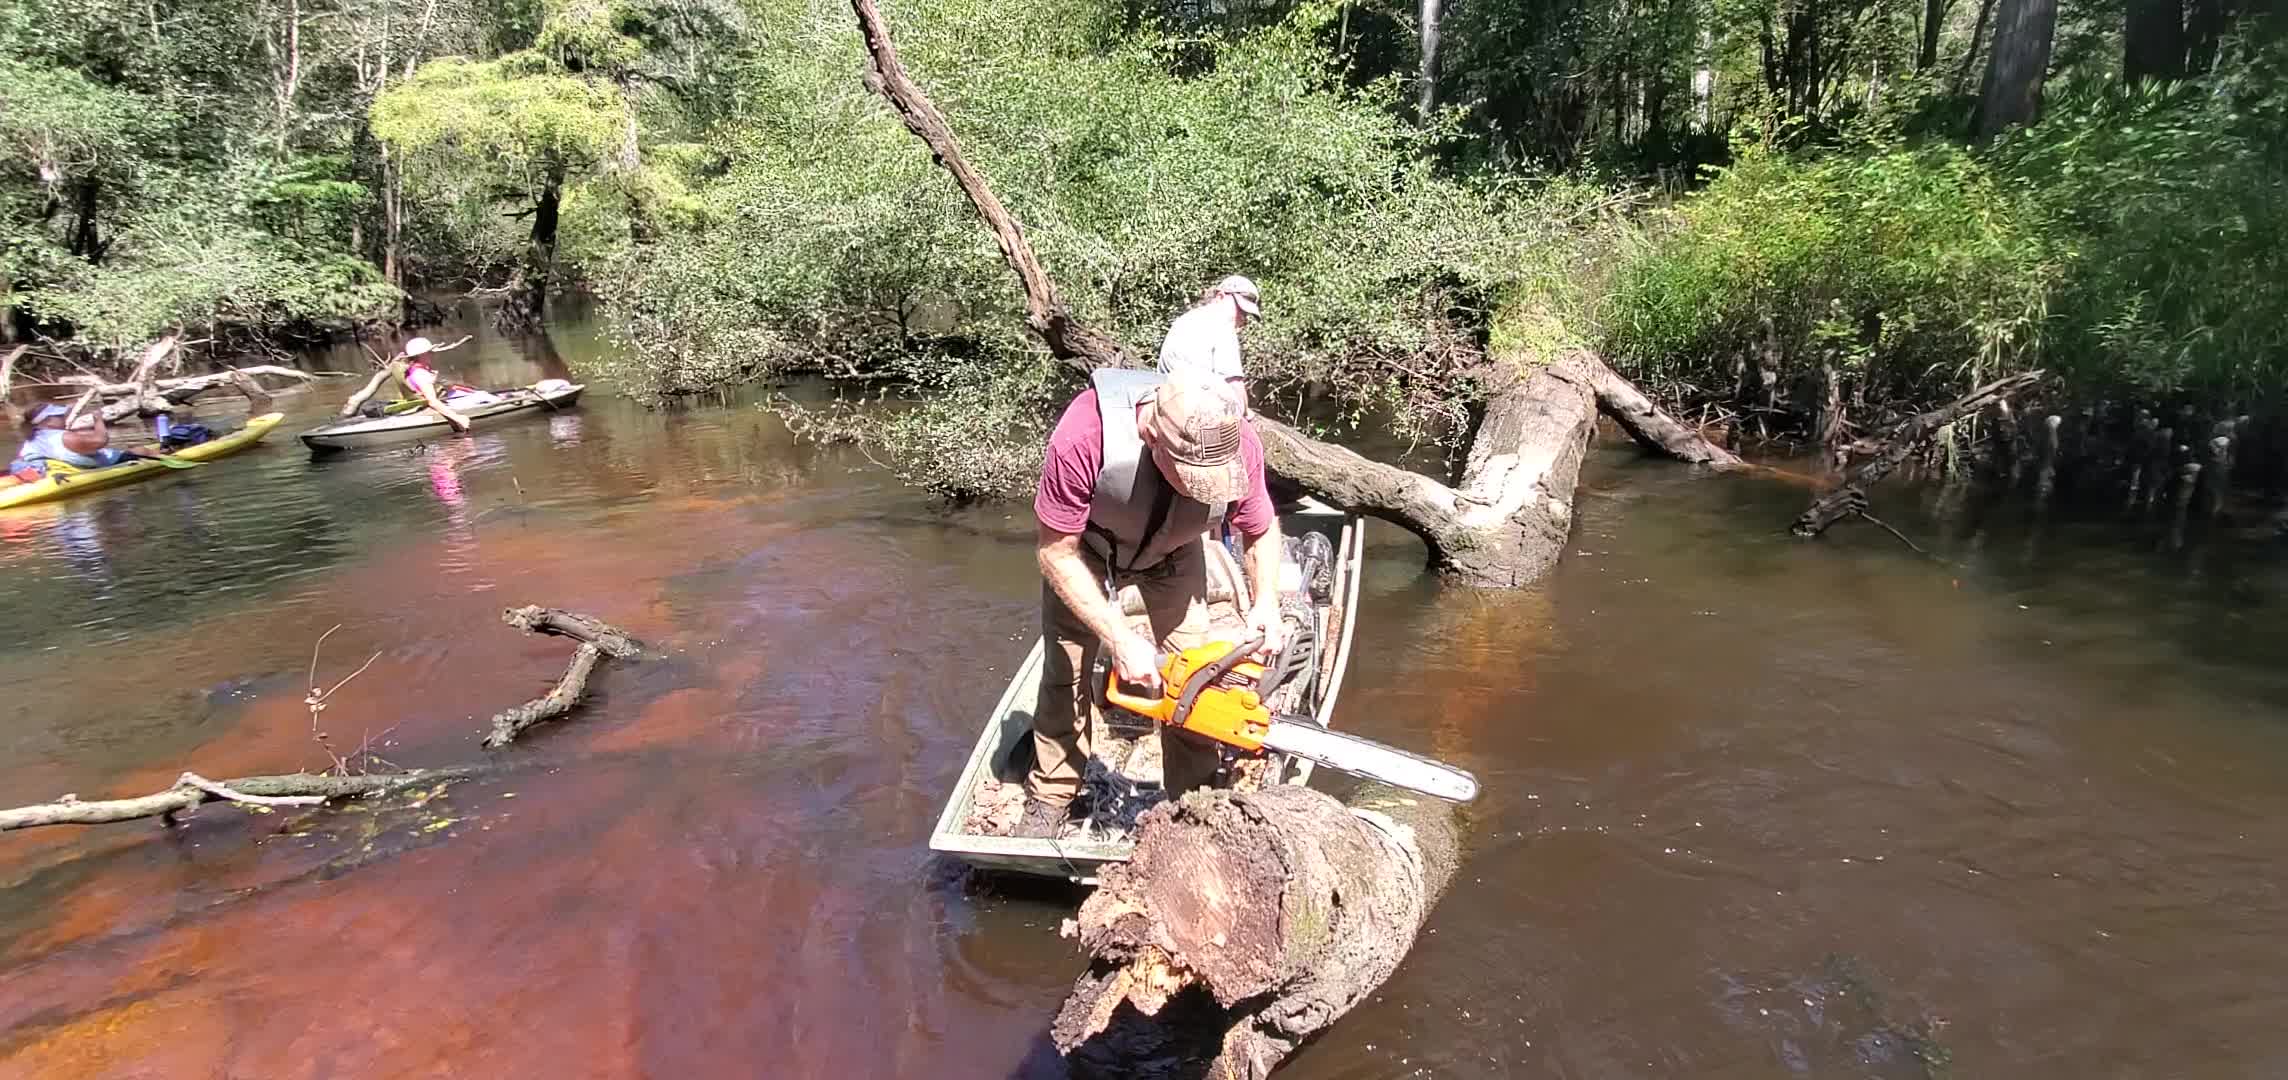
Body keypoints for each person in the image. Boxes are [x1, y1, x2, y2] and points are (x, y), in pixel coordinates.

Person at [1018, 371, 1287, 838]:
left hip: (1175, 549)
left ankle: (1195, 804)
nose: (1198, 487)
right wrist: (1120, 637)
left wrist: (1266, 603)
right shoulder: (1083, 436)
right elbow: (1054, 552)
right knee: (1068, 672)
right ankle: (1053, 792)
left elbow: (1259, 528)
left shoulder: (1233, 436)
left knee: (1198, 678)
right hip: (1087, 550)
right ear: (1150, 435)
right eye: (1190, 477)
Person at [339, 337, 478, 432]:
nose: (432, 354)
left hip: (419, 402)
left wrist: (433, 381)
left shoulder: (413, 370)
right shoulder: (422, 375)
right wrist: (458, 418)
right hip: (429, 407)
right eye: (430, 352)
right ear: (423, 354)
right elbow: (432, 402)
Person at [7, 403, 162, 481]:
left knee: (132, 448)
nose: (64, 417)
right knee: (141, 450)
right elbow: (101, 440)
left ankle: (162, 450)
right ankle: (170, 454)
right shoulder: (64, 437)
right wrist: (98, 420)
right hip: (92, 467)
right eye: (59, 416)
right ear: (47, 422)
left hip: (44, 469)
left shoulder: (32, 437)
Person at [1156, 274, 1261, 387]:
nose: (1243, 319)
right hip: (1197, 400)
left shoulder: (1186, 319)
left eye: (1246, 314)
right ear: (1220, 297)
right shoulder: (1222, 323)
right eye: (1240, 310)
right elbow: (1234, 384)